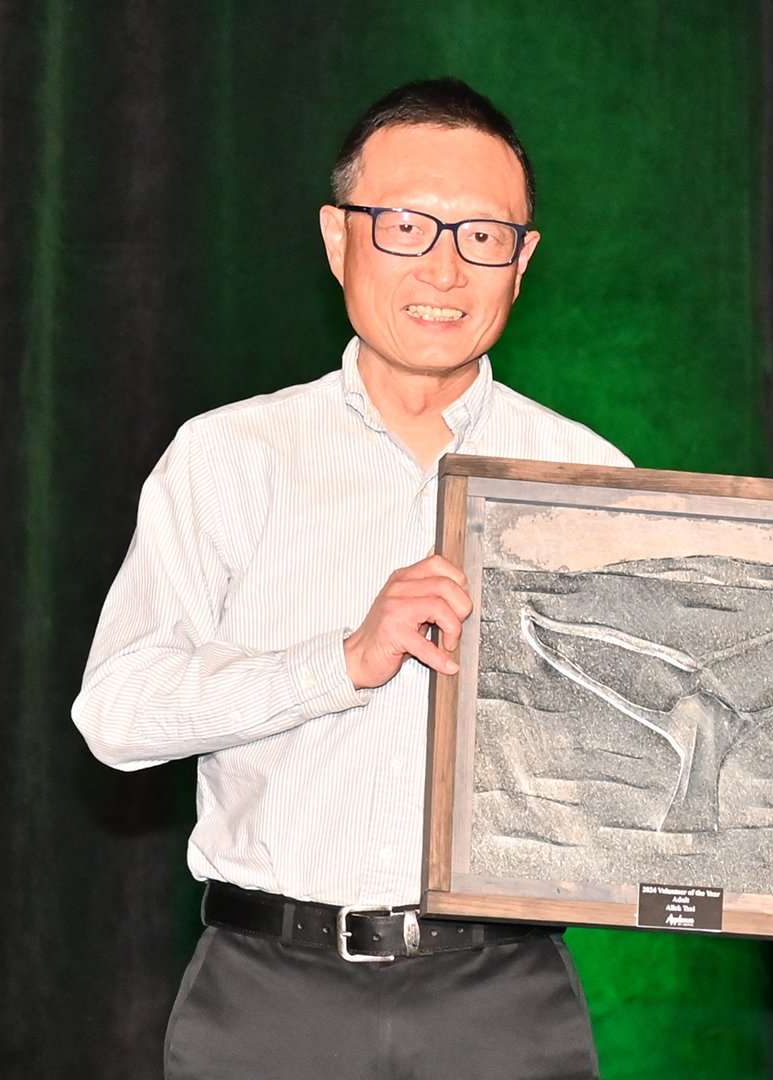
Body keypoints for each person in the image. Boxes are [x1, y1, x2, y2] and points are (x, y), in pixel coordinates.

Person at [71, 79, 625, 1079]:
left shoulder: (588, 478)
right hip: (270, 997)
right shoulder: (228, 456)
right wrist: (344, 661)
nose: (447, 269)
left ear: (525, 258)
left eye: (484, 236)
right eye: (408, 226)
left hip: (503, 1001)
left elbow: (656, 735)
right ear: (338, 239)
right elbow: (114, 718)